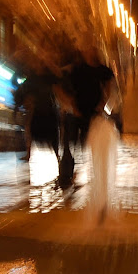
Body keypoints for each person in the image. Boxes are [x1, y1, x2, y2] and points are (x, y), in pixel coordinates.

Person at [59, 44, 115, 189]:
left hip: (94, 113)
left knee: (90, 143)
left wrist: (103, 103)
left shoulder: (101, 70)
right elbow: (67, 86)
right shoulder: (78, 69)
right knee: (75, 144)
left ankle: (90, 172)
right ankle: (71, 174)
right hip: (79, 112)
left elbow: (109, 84)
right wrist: (72, 106)